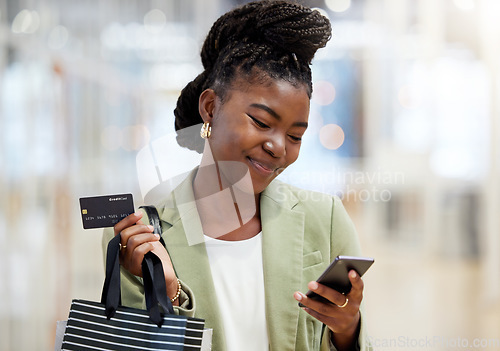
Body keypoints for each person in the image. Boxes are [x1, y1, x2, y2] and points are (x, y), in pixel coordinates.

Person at [103, 1, 370, 350]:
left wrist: (347, 331)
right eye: (261, 122)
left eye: (295, 136)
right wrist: (169, 296)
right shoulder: (142, 239)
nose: (278, 147)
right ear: (211, 108)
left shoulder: (326, 220)